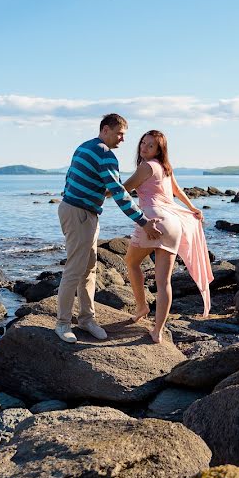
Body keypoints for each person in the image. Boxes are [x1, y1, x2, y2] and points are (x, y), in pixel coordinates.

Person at [56, 114, 163, 343]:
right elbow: (119, 193)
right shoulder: (105, 154)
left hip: (76, 210)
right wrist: (143, 221)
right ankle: (63, 323)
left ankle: (86, 319)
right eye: (119, 133)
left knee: (89, 268)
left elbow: (70, 178)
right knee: (75, 270)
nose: (123, 139)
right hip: (80, 213)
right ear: (105, 130)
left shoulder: (84, 147)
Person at [123, 130, 214, 342]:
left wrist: (99, 188)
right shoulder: (165, 168)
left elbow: (123, 189)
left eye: (150, 145)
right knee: (163, 281)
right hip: (173, 224)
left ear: (159, 150)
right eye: (143, 143)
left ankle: (142, 307)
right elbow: (177, 191)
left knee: (131, 262)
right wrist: (192, 208)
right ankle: (158, 331)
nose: (144, 148)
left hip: (152, 221)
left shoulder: (145, 167)